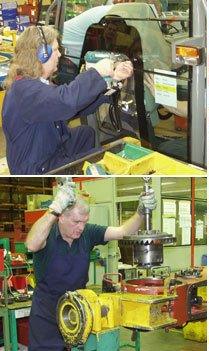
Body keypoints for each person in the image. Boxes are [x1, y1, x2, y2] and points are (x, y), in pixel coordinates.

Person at [26, 180, 156, 349]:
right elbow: (31, 244)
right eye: (76, 222)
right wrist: (54, 207)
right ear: (61, 217)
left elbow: (122, 232)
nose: (81, 227)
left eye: (84, 222)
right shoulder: (46, 234)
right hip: (47, 316)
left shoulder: (87, 233)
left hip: (78, 313)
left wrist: (140, 212)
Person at [2, 25, 133, 174]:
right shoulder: (24, 90)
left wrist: (113, 82)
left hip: (46, 147)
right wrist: (97, 72)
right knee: (101, 156)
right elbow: (67, 101)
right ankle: (86, 174)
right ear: (42, 54)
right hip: (38, 166)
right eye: (56, 49)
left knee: (85, 134)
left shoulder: (34, 82)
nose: (59, 55)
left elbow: (73, 108)